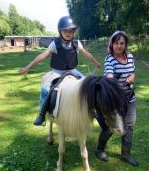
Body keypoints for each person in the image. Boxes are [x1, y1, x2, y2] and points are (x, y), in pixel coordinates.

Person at [18, 16, 101, 125]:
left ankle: (91, 110)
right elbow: (42, 56)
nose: (68, 33)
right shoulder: (55, 44)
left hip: (72, 70)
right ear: (60, 31)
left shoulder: (76, 43)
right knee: (45, 88)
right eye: (65, 30)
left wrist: (96, 62)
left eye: (71, 31)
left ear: (74, 32)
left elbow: (86, 53)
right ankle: (42, 114)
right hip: (57, 72)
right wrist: (27, 67)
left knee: (88, 84)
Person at [95, 31, 139, 166]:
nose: (119, 46)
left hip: (130, 98)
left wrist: (132, 77)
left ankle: (126, 154)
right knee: (111, 127)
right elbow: (109, 74)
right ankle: (100, 150)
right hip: (115, 101)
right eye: (116, 43)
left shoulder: (130, 57)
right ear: (112, 44)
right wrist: (110, 80)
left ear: (125, 45)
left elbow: (133, 71)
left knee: (129, 126)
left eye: (122, 43)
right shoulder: (109, 59)